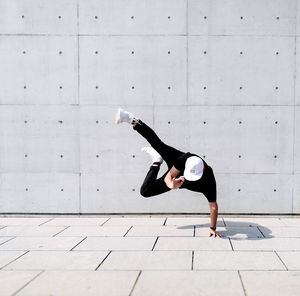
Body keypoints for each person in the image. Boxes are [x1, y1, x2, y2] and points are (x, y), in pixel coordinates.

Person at [115, 108, 220, 237]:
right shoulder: (185, 159)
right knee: (157, 144)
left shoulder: (209, 181)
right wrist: (172, 185)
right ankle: (132, 119)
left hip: (180, 181)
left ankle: (156, 162)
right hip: (176, 169)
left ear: (203, 171)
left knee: (145, 191)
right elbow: (169, 176)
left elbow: (213, 206)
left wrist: (213, 228)